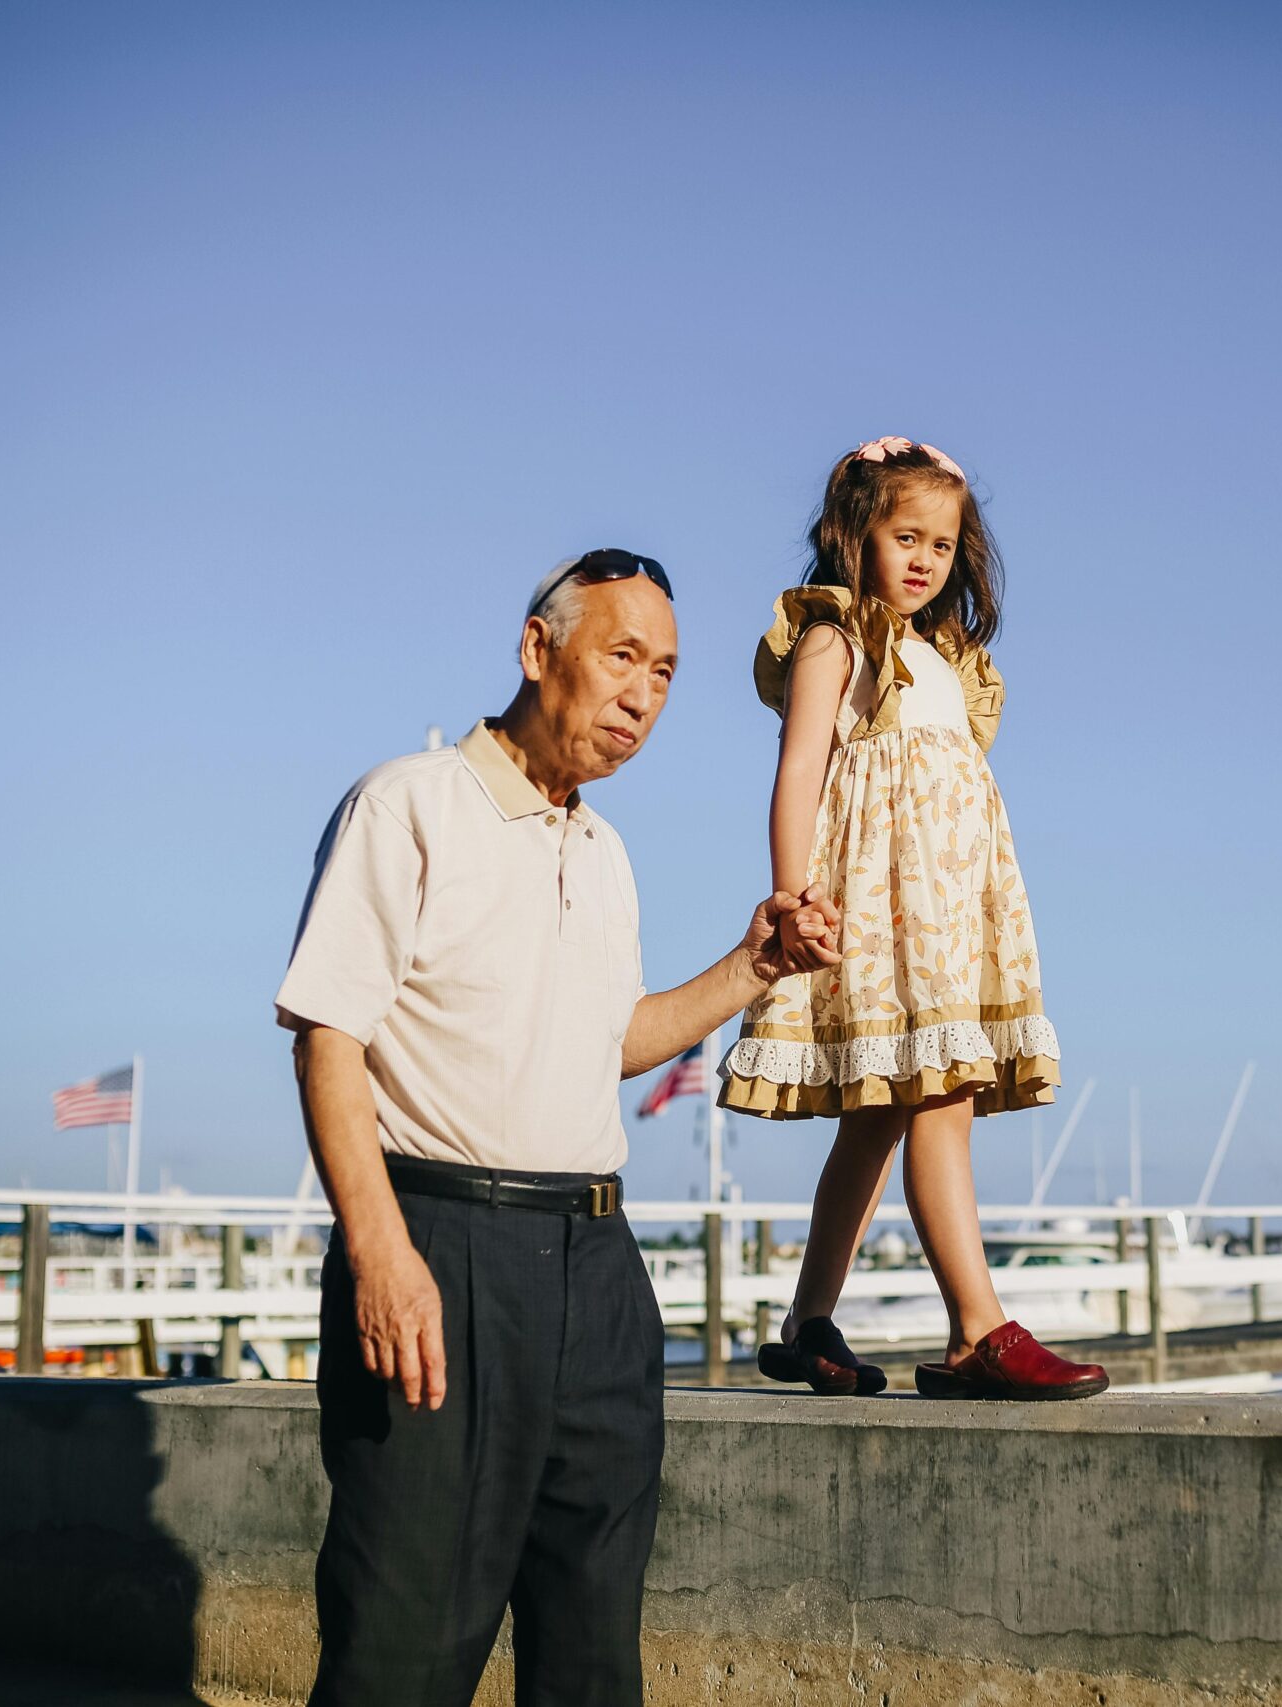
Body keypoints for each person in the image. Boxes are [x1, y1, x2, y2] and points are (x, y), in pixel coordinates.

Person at [275, 549, 837, 1707]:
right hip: (441, 1246)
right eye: (621, 656)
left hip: (598, 1265)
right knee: (405, 1636)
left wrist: (752, 964)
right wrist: (382, 1256)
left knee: (592, 1645)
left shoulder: (607, 850)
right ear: (538, 652)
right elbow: (327, 1036)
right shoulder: (408, 803)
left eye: (668, 673)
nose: (644, 695)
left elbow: (609, 1042)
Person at [719, 438, 1107, 1401]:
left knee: (879, 1121)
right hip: (883, 908)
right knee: (938, 1098)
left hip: (947, 908)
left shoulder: (946, 657)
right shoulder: (836, 636)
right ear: (857, 536)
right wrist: (789, 897)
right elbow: (800, 769)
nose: (927, 557)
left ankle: (810, 1322)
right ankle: (977, 1329)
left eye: (943, 540)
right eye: (906, 535)